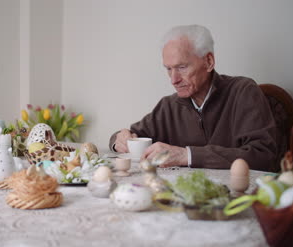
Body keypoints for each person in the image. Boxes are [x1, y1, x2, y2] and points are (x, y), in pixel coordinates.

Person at [109, 25, 277, 171]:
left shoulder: (243, 91)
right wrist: (119, 140)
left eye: (181, 67)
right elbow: (134, 135)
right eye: (168, 69)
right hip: (183, 199)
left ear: (209, 61)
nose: (173, 79)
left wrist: (186, 155)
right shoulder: (169, 105)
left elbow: (262, 155)